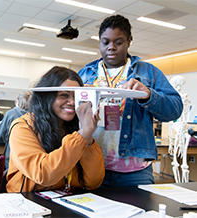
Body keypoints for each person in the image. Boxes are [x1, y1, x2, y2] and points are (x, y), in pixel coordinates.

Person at [78, 14, 183, 187]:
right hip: (91, 164)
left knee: (140, 213)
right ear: (99, 42)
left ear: (129, 41)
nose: (111, 47)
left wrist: (149, 95)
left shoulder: (148, 72)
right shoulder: (84, 74)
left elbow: (175, 109)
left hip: (135, 170)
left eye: (118, 42)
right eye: (105, 42)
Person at [6, 66, 105, 193]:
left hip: (68, 200)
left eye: (76, 96)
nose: (72, 102)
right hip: (29, 201)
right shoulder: (23, 127)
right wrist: (81, 136)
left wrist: (87, 137)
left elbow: (93, 182)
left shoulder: (76, 127)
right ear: (47, 97)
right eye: (64, 95)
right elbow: (43, 174)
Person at [0, 90, 31, 170]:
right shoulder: (38, 116)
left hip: (12, 158)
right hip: (31, 160)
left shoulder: (10, 114)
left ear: (18, 102)